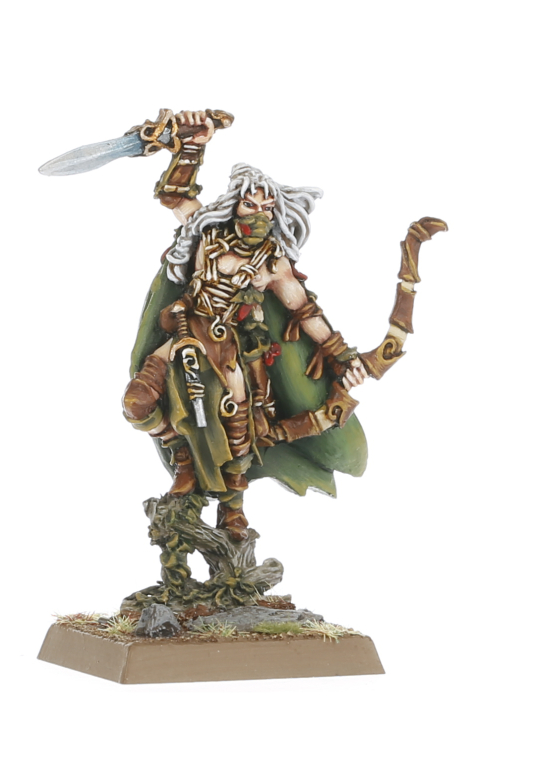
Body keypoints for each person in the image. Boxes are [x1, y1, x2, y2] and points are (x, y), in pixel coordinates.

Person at [122, 111, 368, 540]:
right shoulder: (208, 234)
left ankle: (232, 511)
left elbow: (303, 310)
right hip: (186, 331)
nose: (258, 214)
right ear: (236, 204)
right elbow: (175, 195)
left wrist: (342, 357)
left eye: (266, 208)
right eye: (250, 205)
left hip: (232, 346)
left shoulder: (273, 262)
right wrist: (193, 146)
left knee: (241, 427)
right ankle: (182, 459)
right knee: (137, 402)